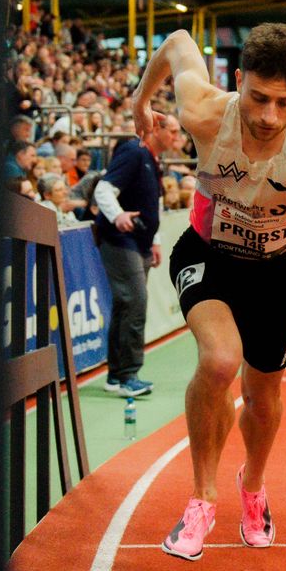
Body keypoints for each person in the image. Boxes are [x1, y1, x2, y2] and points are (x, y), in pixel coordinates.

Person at [132, 24, 286, 559]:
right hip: (206, 255)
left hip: (277, 271)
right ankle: (202, 497)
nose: (269, 115)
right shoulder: (205, 109)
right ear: (238, 82)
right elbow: (175, 42)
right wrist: (141, 100)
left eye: (285, 102)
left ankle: (253, 486)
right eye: (258, 98)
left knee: (263, 398)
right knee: (219, 361)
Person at [93, 112, 187, 398]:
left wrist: (155, 241)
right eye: (172, 131)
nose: (176, 137)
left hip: (140, 242)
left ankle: (116, 375)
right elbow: (103, 189)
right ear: (155, 129)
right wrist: (118, 215)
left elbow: (152, 203)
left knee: (126, 305)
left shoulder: (153, 160)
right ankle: (128, 376)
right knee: (134, 301)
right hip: (121, 240)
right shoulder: (134, 152)